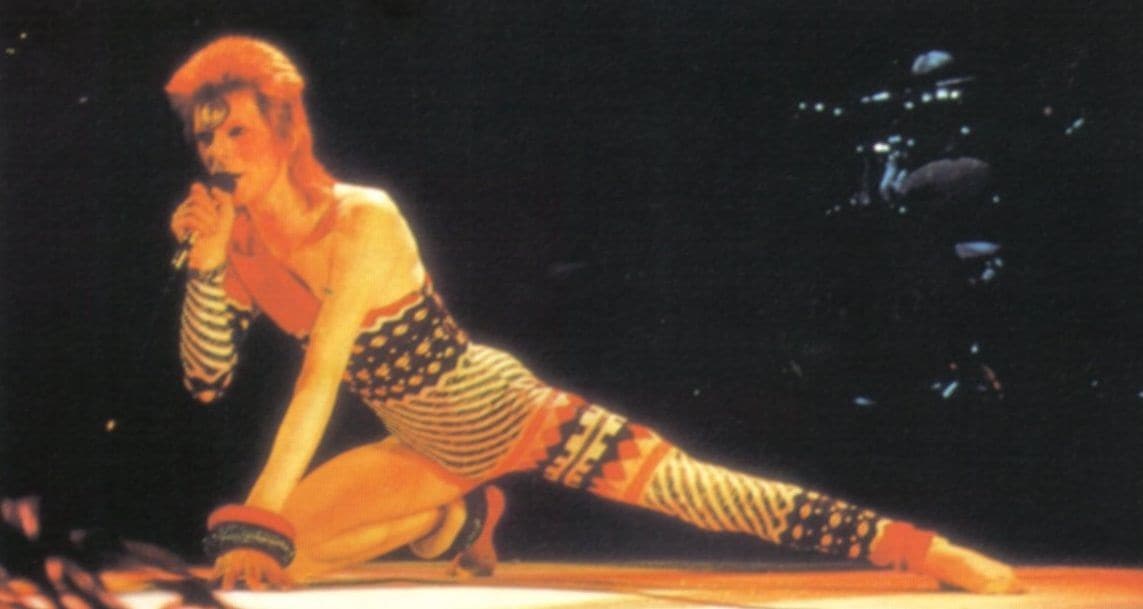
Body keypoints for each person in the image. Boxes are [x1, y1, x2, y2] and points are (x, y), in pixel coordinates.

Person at [166, 36, 1022, 594]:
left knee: (700, 491)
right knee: (280, 563)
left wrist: (258, 519)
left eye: (237, 131)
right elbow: (205, 381)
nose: (219, 152)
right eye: (206, 137)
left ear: (285, 131)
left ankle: (916, 547)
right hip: (422, 449)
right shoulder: (239, 246)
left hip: (507, 413)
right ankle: (454, 520)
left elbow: (320, 378)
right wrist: (206, 267)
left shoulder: (360, 217)